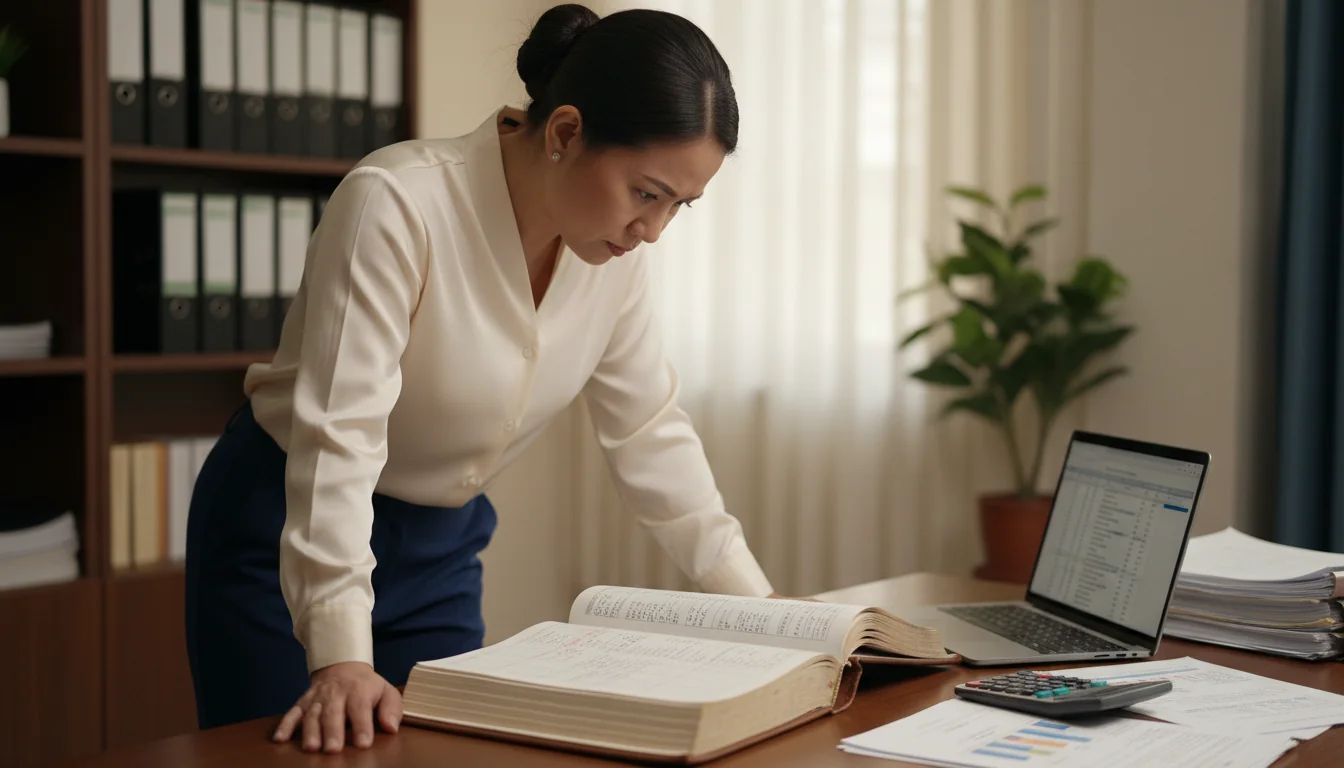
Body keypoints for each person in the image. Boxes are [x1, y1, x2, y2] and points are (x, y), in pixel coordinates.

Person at [183, 1, 777, 756]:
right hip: (286, 527)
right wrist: (339, 653)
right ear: (566, 133)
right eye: (647, 192)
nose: (653, 230)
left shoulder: (611, 262)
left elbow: (649, 433)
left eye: (679, 207)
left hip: (439, 550)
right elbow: (341, 435)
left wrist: (765, 617)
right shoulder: (398, 204)